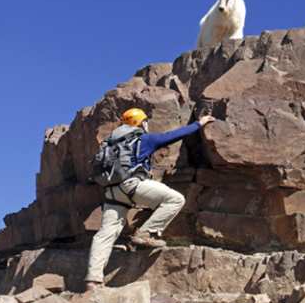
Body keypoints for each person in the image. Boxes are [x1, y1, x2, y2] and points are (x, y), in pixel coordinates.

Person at [85, 107, 215, 290]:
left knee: (105, 234)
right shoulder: (144, 139)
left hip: (111, 192)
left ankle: (93, 280)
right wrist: (199, 124)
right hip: (133, 185)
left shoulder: (110, 143)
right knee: (175, 199)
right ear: (141, 123)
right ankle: (147, 233)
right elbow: (173, 135)